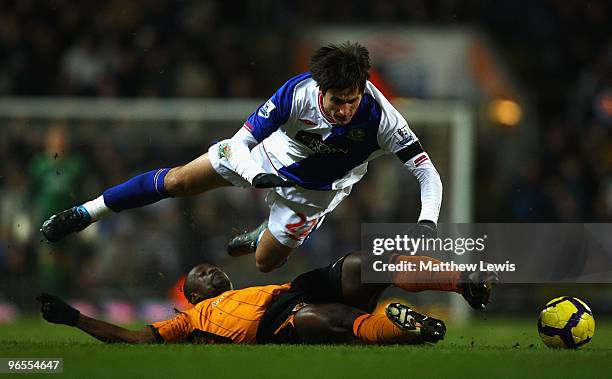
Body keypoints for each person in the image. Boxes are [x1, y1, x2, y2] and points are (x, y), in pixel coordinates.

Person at [41, 42, 443, 273]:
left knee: (266, 263)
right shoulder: (295, 93)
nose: (343, 111)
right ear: (321, 89)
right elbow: (238, 144)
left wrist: (427, 222)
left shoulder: (382, 119)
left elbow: (427, 173)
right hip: (264, 159)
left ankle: (261, 234)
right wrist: (254, 176)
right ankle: (85, 213)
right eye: (336, 102)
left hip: (315, 193)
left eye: (351, 102)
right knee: (180, 181)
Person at [37, 252, 497, 344]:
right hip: (279, 324)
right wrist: (75, 318)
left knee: (360, 264)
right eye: (201, 273)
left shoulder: (246, 289)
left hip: (293, 291)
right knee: (322, 319)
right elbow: (134, 339)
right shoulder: (189, 321)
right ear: (193, 294)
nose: (211, 269)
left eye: (210, 267)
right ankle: (408, 329)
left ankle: (462, 281)